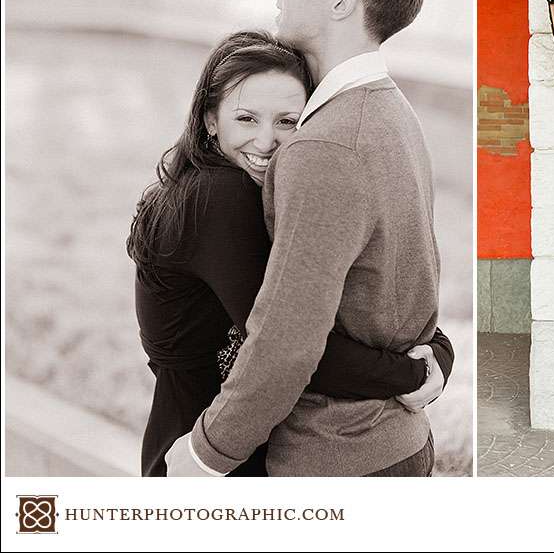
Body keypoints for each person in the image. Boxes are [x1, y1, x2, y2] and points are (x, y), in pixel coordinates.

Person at [165, 0, 443, 477]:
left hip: (338, 459)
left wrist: (208, 454)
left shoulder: (327, 144)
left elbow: (288, 334)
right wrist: (435, 355)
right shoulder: (391, 112)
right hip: (391, 443)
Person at [128, 31, 453, 476]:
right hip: (204, 456)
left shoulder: (238, 191)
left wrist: (436, 348)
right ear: (210, 120)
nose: (265, 142)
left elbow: (335, 308)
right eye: (246, 119)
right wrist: (417, 373)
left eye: (287, 121)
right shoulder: (216, 197)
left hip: (243, 442)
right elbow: (288, 344)